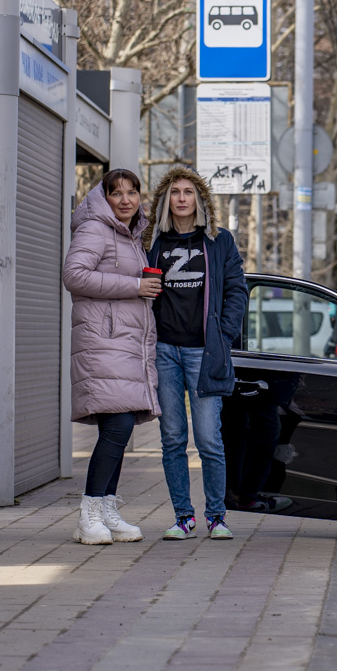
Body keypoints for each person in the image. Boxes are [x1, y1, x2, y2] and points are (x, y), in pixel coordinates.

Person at [144, 166, 248, 540]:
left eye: (189, 191)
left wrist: (223, 334)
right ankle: (183, 516)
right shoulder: (152, 241)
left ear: (200, 199)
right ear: (166, 200)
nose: (182, 198)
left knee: (208, 439)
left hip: (204, 354)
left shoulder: (219, 241)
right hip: (164, 351)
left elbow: (238, 290)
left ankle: (216, 517)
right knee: (172, 437)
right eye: (175, 192)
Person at [62, 169, 161, 545]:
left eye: (132, 192)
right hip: (102, 342)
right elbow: (74, 275)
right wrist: (135, 286)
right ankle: (88, 514)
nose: (125, 200)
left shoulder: (132, 235)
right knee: (117, 427)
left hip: (122, 344)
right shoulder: (94, 228)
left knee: (117, 430)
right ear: (103, 198)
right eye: (116, 193)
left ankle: (106, 510)